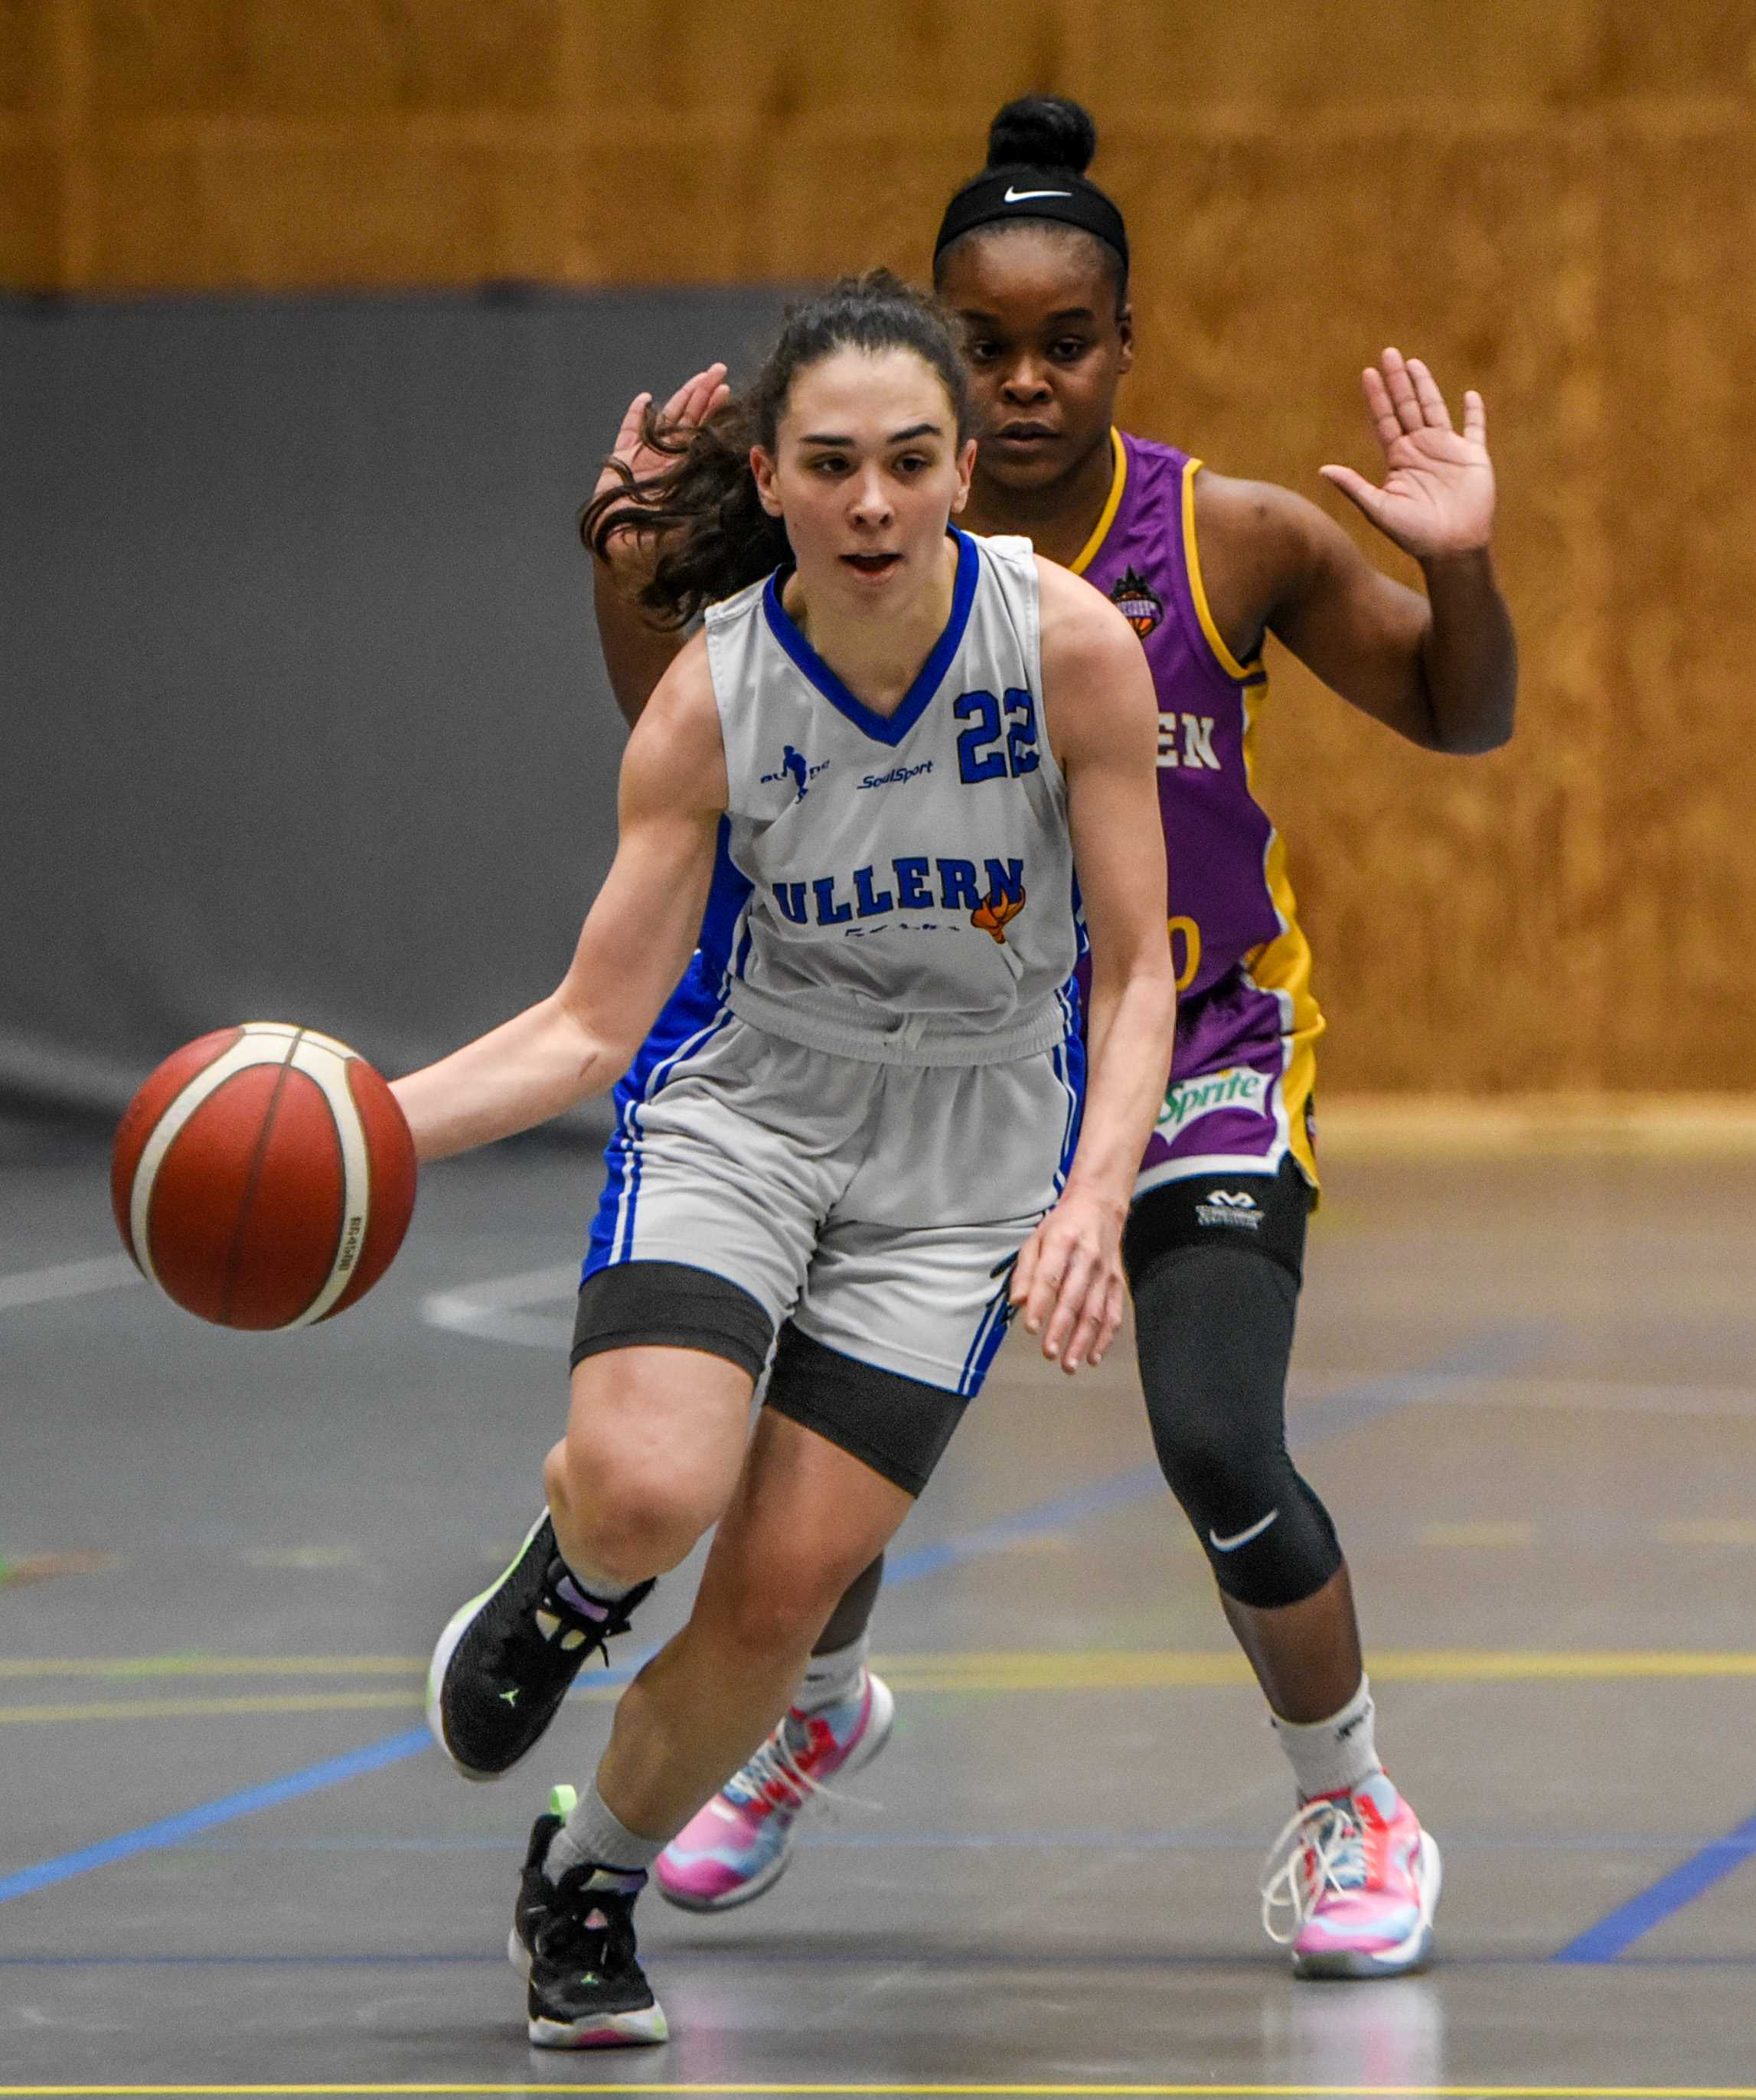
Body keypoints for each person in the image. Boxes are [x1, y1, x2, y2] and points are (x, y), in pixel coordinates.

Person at [580, 100, 1517, 1981]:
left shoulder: (1223, 538)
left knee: (1214, 1439)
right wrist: (623, 560)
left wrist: (1465, 560)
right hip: (932, 1069)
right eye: (981, 345)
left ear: (1122, 342)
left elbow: (1456, 708)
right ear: (927, 348)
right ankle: (813, 1704)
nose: (1021, 384)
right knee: (812, 1459)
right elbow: (688, 743)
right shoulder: (853, 544)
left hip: (1195, 1045)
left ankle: (1349, 1792)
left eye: (1060, 342)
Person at [405, 269, 1176, 2048]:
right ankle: (572, 1577)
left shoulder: (1066, 649)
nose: (874, 500)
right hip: (753, 1100)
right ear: (768, 478)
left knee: (777, 1590)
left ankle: (586, 1874)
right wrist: (363, 1130)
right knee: (652, 1487)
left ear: (963, 469)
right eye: (831, 463)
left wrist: (1088, 1193)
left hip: (973, 1142)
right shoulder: (714, 695)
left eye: (910, 459)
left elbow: (1140, 970)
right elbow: (590, 1026)